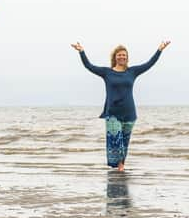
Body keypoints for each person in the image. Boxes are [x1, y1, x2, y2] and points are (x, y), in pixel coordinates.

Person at [71, 41, 170, 171]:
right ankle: (118, 165)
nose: (122, 57)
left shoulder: (132, 72)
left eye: (124, 55)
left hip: (129, 112)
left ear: (127, 58)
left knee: (125, 141)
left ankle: (121, 166)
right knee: (116, 140)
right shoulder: (107, 72)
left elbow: (149, 64)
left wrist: (160, 49)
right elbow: (89, 66)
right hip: (113, 113)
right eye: (119, 55)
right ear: (115, 57)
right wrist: (81, 51)